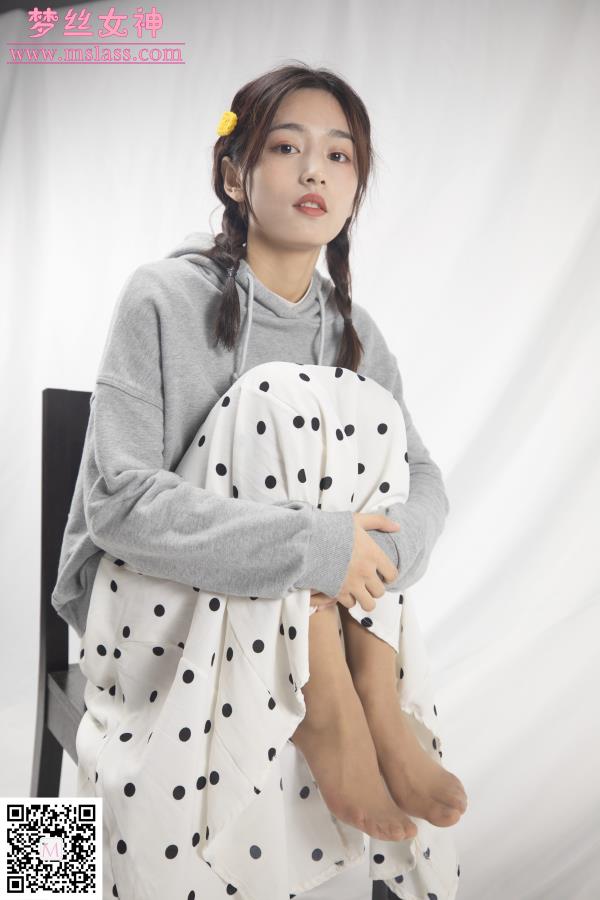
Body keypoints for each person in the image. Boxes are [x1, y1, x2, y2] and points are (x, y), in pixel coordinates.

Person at [54, 62, 467, 900]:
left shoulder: (353, 332)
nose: (316, 171)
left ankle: (373, 702)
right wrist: (320, 548)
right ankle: (331, 708)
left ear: (354, 191)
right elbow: (118, 503)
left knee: (360, 412)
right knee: (279, 397)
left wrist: (374, 556)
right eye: (286, 147)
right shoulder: (161, 295)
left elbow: (421, 478)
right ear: (235, 174)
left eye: (339, 156)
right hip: (151, 610)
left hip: (303, 623)